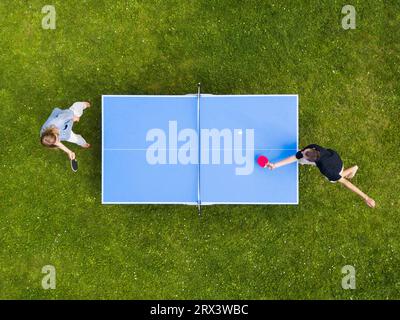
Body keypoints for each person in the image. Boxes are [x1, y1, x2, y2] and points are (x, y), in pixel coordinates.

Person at [266, 144, 376, 208]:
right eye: (305, 151)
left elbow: (347, 183)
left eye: (304, 153)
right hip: (334, 158)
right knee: (299, 159)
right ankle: (353, 168)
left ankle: (353, 168)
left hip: (336, 168)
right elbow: (297, 155)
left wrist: (366, 197)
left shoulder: (326, 170)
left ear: (313, 161)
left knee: (333, 180)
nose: (303, 151)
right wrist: (275, 165)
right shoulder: (313, 147)